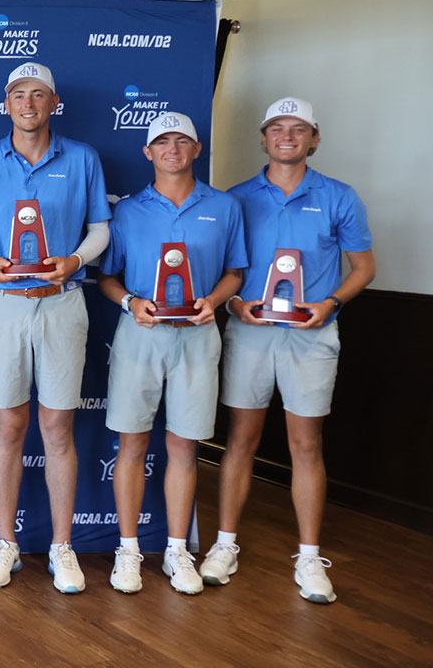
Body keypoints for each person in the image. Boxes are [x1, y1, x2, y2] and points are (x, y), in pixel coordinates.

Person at [199, 98, 375, 604]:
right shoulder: (234, 199)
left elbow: (364, 267)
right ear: (263, 138)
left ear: (314, 139)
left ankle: (309, 555)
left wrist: (330, 303)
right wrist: (232, 303)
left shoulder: (340, 196)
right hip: (250, 332)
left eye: (299, 129)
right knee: (241, 440)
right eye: (277, 127)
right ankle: (224, 545)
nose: (287, 136)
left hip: (312, 334)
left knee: (305, 445)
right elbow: (224, 269)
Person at [0, 62, 111, 593]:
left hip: (63, 302)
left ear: (54, 102)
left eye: (38, 95)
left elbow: (100, 230)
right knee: (8, 426)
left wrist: (74, 260)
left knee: (57, 428)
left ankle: (62, 547)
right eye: (18, 94)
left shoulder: (83, 158)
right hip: (2, 303)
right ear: (6, 103)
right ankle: (6, 544)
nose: (28, 103)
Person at [97, 111, 247, 596]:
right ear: (148, 152)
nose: (172, 149)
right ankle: (127, 550)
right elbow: (107, 277)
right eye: (162, 142)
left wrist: (214, 300)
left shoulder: (223, 207)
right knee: (133, 443)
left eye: (182, 141)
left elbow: (235, 273)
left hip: (198, 335)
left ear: (197, 149)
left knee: (184, 445)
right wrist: (129, 301)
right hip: (140, 333)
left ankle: (177, 550)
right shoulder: (128, 211)